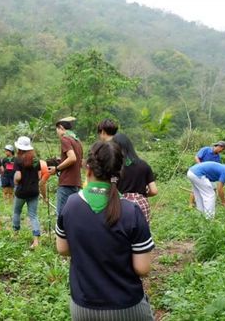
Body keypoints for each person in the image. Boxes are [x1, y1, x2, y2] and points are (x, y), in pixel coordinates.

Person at [56, 141, 155, 320]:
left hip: (83, 308)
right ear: (119, 172)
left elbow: (63, 249)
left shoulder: (71, 204)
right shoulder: (131, 210)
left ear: (88, 169)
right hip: (127, 306)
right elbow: (143, 268)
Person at [112, 133, 158, 222]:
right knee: (142, 234)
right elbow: (154, 191)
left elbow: (111, 187)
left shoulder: (114, 167)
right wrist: (142, 194)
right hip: (142, 206)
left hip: (121, 206)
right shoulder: (144, 165)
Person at [48, 117, 83, 216]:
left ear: (61, 127)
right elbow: (79, 160)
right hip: (76, 183)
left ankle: (60, 232)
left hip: (66, 183)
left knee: (61, 214)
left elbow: (72, 158)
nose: (57, 133)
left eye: (57, 130)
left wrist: (57, 168)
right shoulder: (77, 141)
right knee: (73, 214)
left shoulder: (65, 139)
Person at [12, 136, 42, 249]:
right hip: (34, 191)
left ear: (19, 148)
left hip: (21, 191)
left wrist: (15, 181)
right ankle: (36, 241)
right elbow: (39, 176)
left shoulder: (18, 160)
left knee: (17, 212)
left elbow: (18, 177)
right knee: (33, 215)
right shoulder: (36, 160)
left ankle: (15, 235)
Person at [188, 140, 225, 207]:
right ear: (219, 146)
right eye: (222, 149)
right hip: (199, 172)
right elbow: (197, 157)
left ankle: (213, 202)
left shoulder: (218, 157)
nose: (222, 151)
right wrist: (200, 165)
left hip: (209, 175)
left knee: (214, 188)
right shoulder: (206, 149)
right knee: (196, 188)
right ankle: (191, 203)